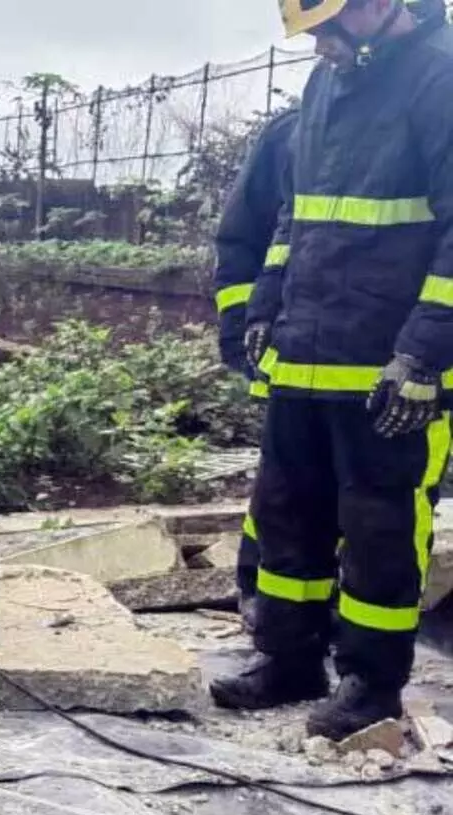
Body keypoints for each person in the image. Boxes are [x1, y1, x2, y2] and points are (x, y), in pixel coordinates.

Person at [209, 0, 453, 740]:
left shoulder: (439, 83)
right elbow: (296, 221)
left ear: (379, 5)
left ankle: (372, 685)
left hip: (390, 374)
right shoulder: (326, 90)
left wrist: (422, 352)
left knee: (380, 527)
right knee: (287, 514)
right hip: (306, 358)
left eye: (325, 26)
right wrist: (263, 308)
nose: (317, 43)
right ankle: (288, 659)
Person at [212, 105, 300, 630]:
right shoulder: (292, 131)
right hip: (297, 351)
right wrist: (239, 328)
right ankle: (264, 600)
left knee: (375, 506)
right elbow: (242, 237)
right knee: (283, 486)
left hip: (393, 358)